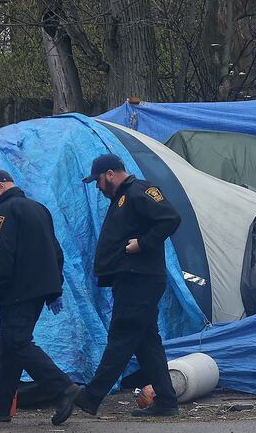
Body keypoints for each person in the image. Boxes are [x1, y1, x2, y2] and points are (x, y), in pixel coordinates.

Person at [0, 169, 80, 426]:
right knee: (8, 348)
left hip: (16, 290)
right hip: (38, 291)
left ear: (0, 186)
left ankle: (62, 388)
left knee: (18, 342)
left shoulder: (3, 212)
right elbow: (56, 250)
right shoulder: (38, 208)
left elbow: (0, 255)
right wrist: (54, 288)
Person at [75, 154, 181, 417]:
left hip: (140, 279)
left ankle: (90, 397)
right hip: (131, 278)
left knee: (121, 337)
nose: (98, 187)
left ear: (110, 173)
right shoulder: (121, 198)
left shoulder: (140, 191)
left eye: (98, 180)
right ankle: (166, 401)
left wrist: (143, 244)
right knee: (147, 343)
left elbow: (170, 217)